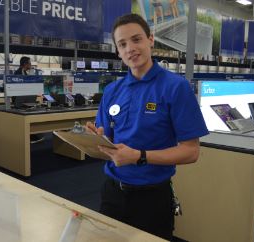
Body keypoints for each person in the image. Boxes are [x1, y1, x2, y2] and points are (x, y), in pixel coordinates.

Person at [86, 13, 208, 240]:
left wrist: (139, 156)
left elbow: (191, 152)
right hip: (112, 192)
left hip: (152, 197)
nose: (130, 48)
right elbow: (107, 147)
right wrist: (96, 141)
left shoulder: (176, 88)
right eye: (122, 44)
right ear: (117, 51)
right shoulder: (113, 91)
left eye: (136, 39)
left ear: (150, 39)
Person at [14, 56, 44, 144]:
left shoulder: (26, 73)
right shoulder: (17, 73)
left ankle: (32, 134)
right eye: (29, 63)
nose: (30, 64)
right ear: (25, 64)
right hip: (19, 100)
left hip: (27, 98)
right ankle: (28, 135)